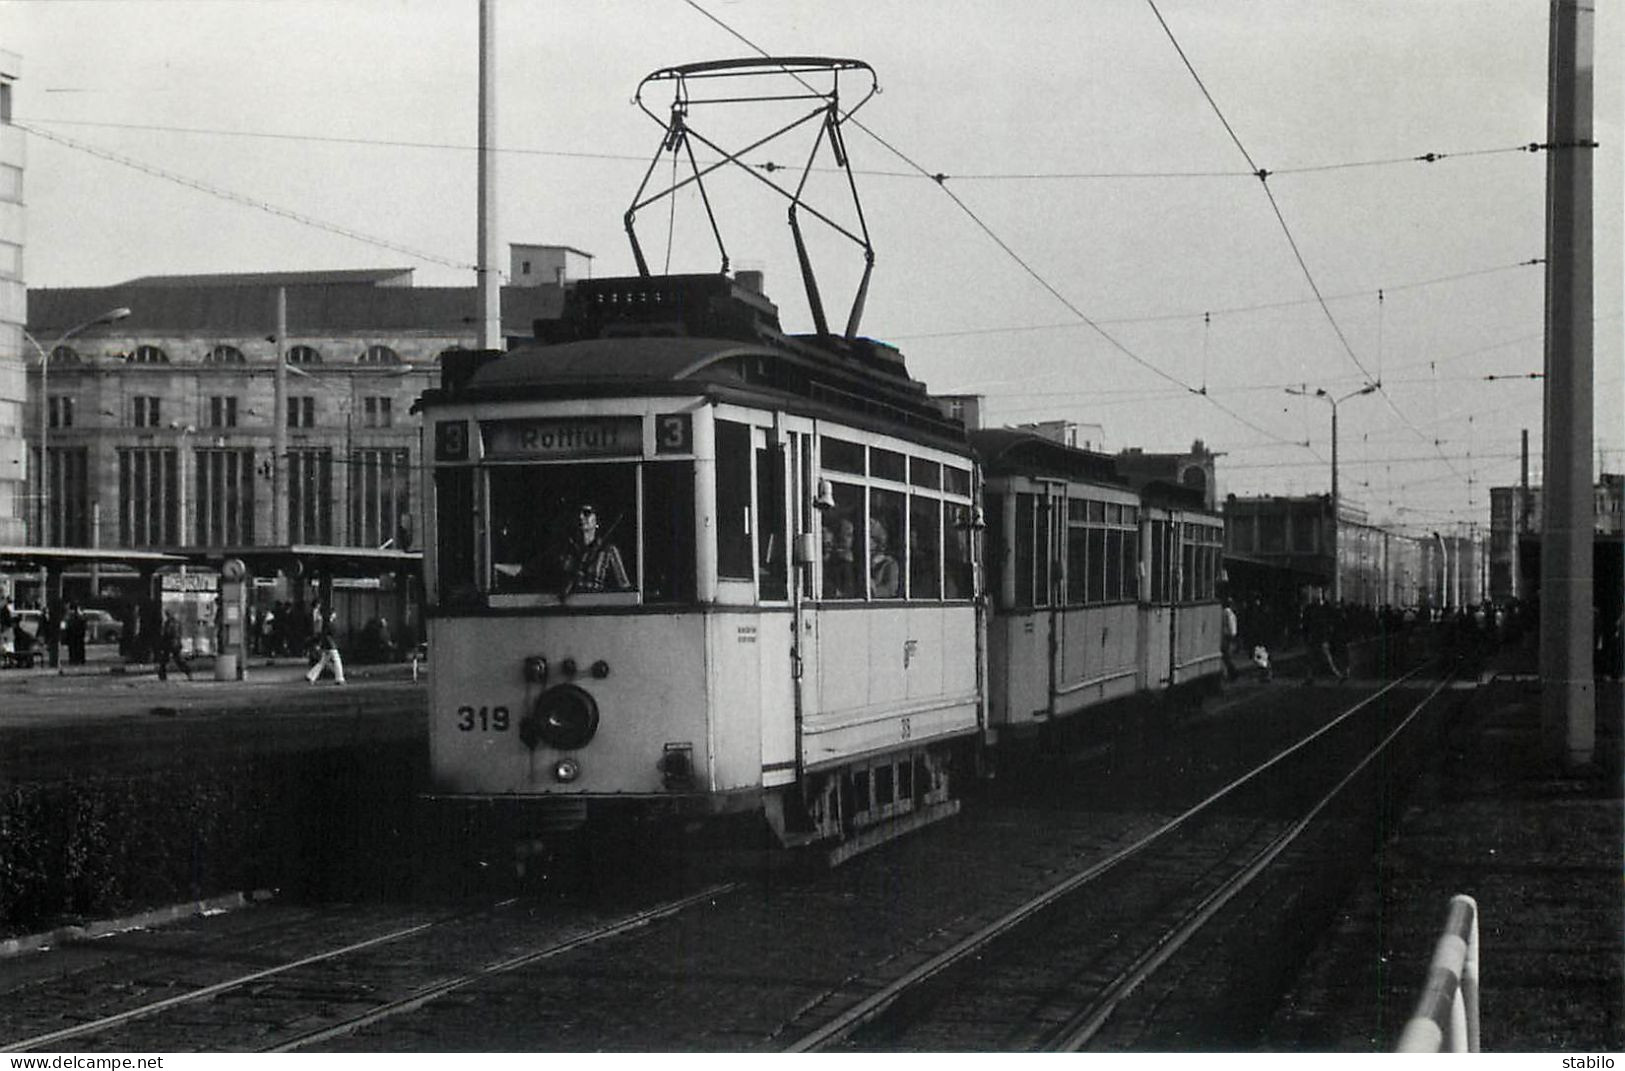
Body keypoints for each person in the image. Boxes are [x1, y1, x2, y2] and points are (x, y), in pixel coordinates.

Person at [559, 503, 630, 595]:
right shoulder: (567, 550)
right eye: (578, 513)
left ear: (597, 521)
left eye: (587, 513)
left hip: (597, 606)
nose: (580, 517)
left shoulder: (609, 551)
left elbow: (624, 589)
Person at [306, 613, 346, 685]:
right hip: (331, 645)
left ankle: (311, 676)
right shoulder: (330, 624)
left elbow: (323, 635)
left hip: (327, 645)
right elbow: (331, 634)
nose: (335, 615)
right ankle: (339, 678)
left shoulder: (326, 624)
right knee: (337, 660)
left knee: (323, 662)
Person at [157, 610, 192, 681]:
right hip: (175, 644)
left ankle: (162, 675)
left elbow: (167, 633)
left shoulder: (168, 623)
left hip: (169, 643)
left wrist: (162, 642)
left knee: (164, 660)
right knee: (178, 660)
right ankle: (188, 672)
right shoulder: (177, 623)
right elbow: (179, 633)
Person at [869, 519, 900, 598]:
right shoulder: (858, 563)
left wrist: (873, 589)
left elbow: (890, 589)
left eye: (870, 537)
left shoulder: (890, 564)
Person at [1219, 598, 1239, 681]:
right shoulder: (1230, 612)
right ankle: (1231, 673)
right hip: (1230, 635)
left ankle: (1232, 673)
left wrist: (1229, 634)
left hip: (1227, 636)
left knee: (1226, 656)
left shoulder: (1226, 612)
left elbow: (1229, 624)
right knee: (1227, 656)